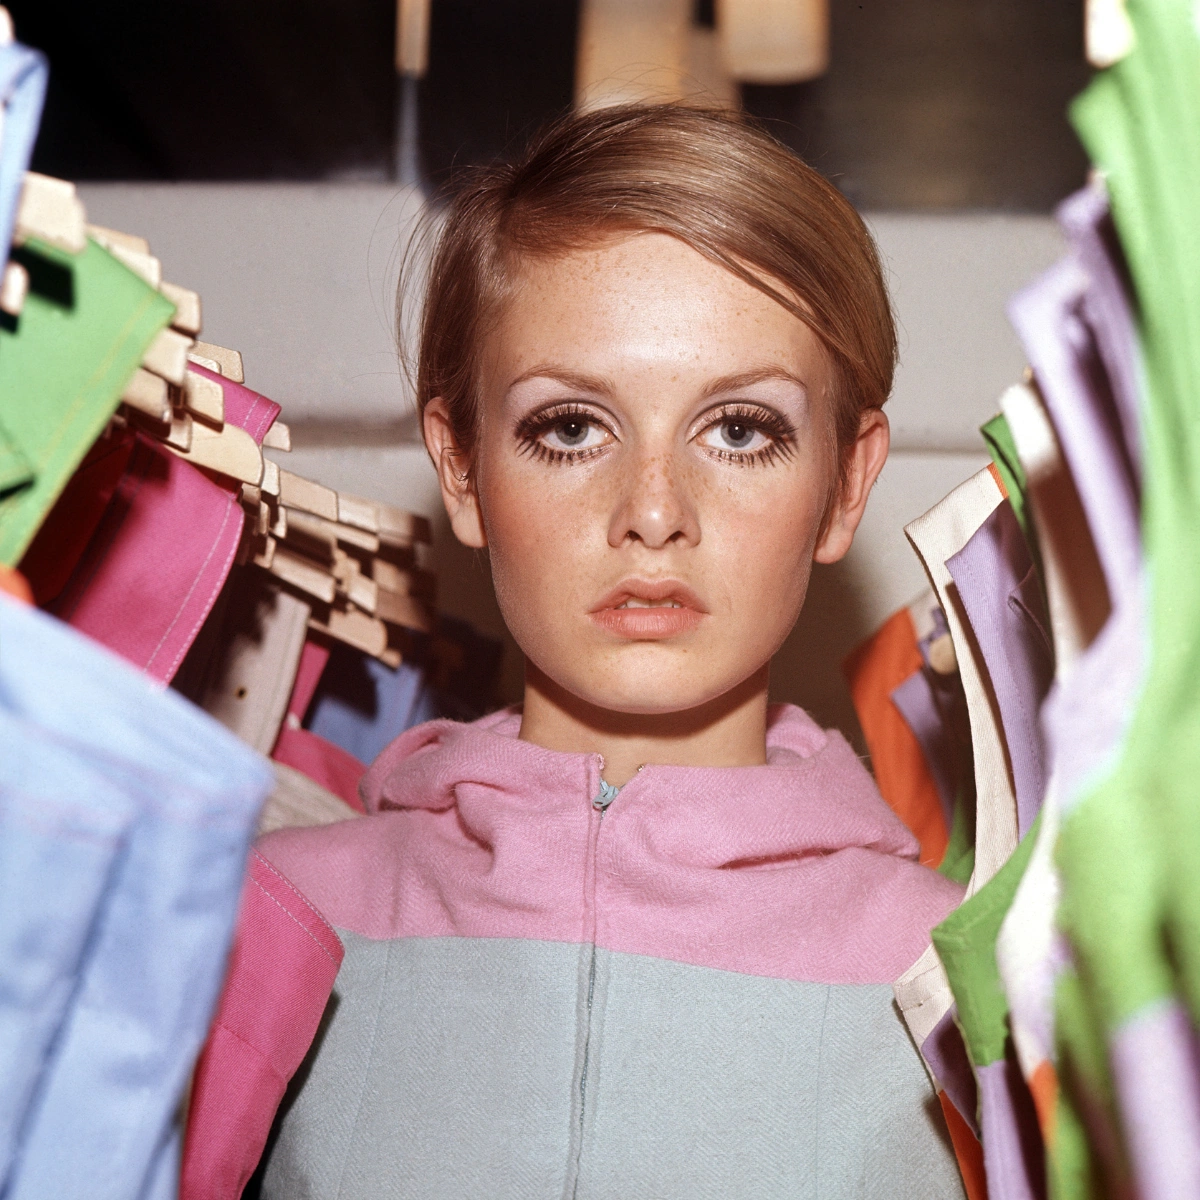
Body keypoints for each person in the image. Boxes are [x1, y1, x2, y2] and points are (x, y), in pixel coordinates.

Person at [191, 103, 967, 1199]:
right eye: (569, 427)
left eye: (740, 430)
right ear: (462, 468)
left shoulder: (966, 984)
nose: (653, 513)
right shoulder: (261, 921)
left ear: (845, 484)